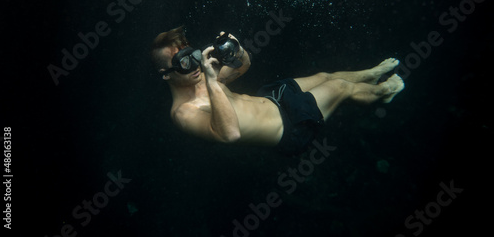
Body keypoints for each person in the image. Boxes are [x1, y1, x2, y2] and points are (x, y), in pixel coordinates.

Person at [151, 26, 405, 156]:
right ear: (166, 74)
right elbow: (229, 134)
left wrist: (238, 51)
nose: (193, 65)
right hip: (288, 126)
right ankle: (384, 92)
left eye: (191, 56)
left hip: (271, 98)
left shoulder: (198, 79)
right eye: (183, 63)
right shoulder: (183, 113)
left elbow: (244, 65)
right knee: (339, 88)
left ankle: (370, 74)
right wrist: (211, 79)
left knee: (324, 77)